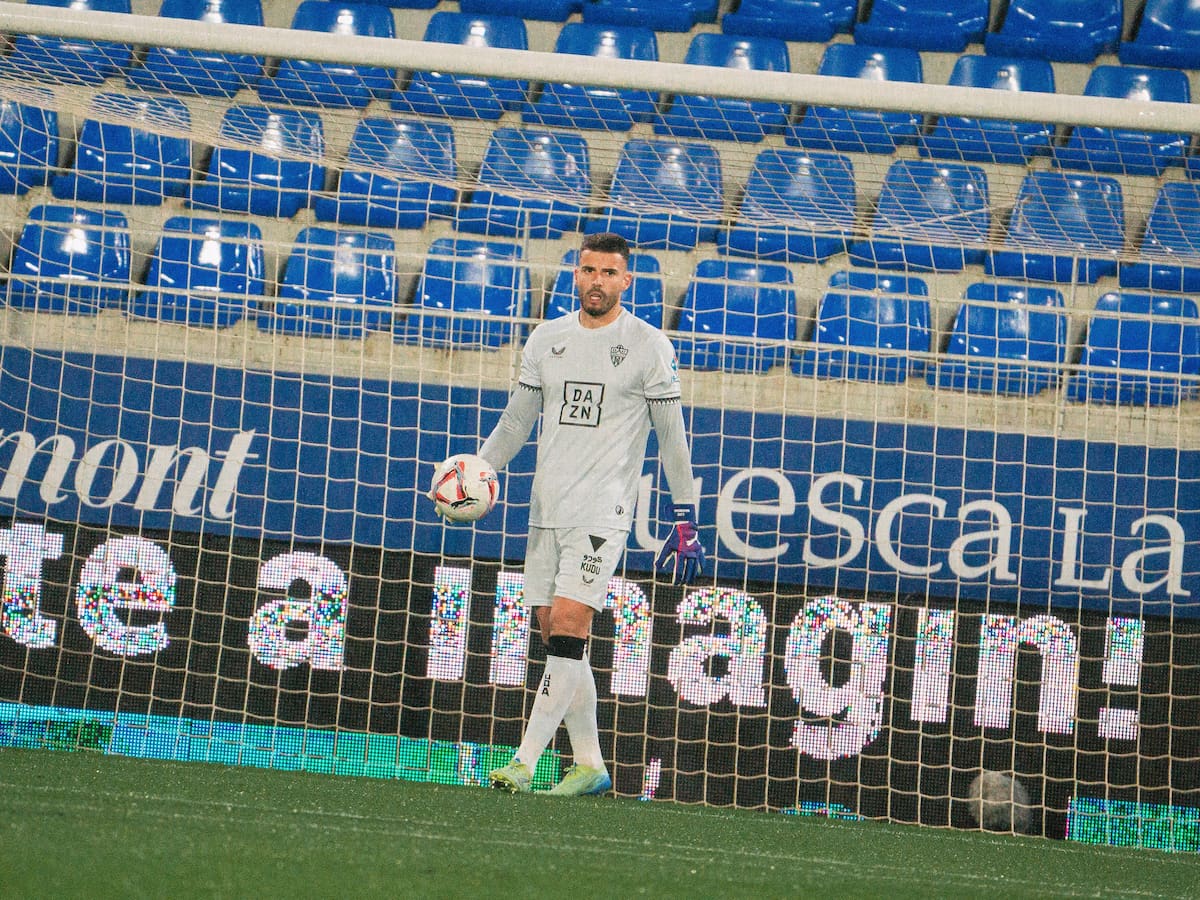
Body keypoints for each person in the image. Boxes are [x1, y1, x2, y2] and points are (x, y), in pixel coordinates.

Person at [457, 231, 705, 796]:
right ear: (576, 275)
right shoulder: (547, 338)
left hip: (602, 511)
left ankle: (523, 762)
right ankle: (590, 764)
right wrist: (476, 474)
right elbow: (516, 423)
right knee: (556, 638)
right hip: (547, 508)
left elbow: (672, 438)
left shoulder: (648, 346)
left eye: (609, 273)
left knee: (570, 628)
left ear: (626, 281)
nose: (597, 281)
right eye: (589, 270)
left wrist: (685, 514)